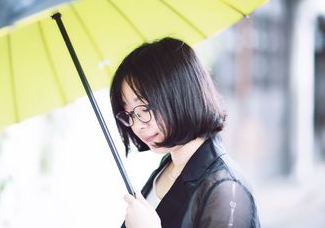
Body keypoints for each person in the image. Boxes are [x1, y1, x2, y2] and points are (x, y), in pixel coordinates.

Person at [109, 37, 260, 228]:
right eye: (130, 113)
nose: (137, 126)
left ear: (180, 95)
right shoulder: (169, 165)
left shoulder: (226, 191)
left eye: (144, 109)